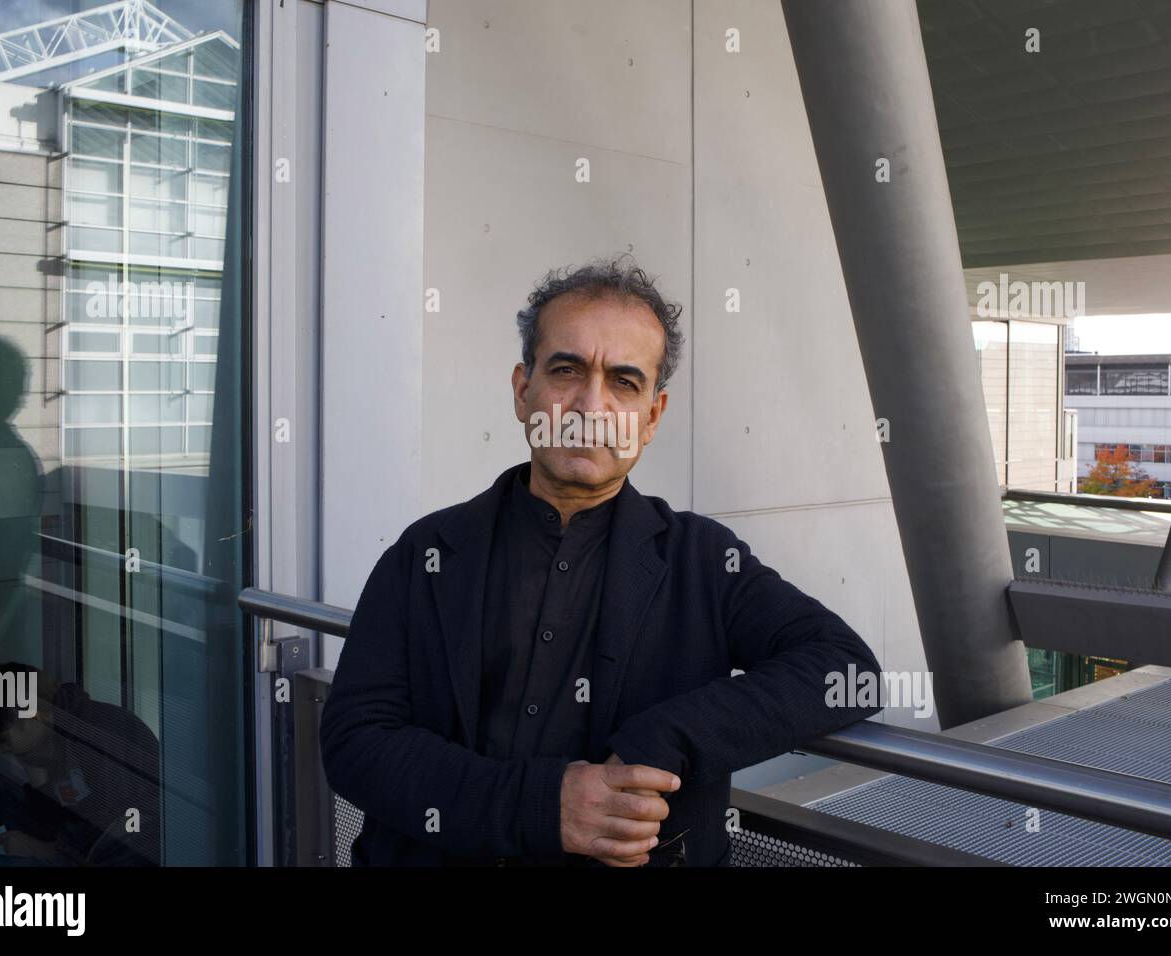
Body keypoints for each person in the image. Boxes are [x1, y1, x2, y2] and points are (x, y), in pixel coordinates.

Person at [320, 253, 884, 866]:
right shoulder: (425, 553)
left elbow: (846, 671)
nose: (591, 407)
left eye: (624, 381)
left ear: (652, 417)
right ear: (522, 390)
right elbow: (355, 741)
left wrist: (664, 739)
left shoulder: (702, 560)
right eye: (566, 370)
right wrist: (541, 805)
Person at [0, 663, 161, 866]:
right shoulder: (48, 737)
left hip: (104, 854)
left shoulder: (99, 735)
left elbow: (118, 831)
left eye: (2, 739)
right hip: (71, 836)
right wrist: (38, 778)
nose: (3, 749)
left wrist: (42, 850)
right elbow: (55, 814)